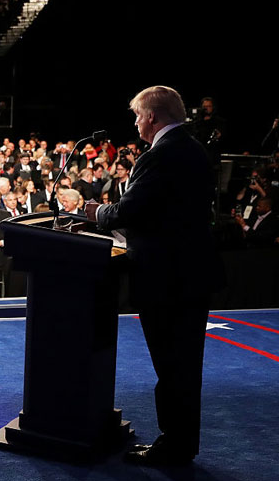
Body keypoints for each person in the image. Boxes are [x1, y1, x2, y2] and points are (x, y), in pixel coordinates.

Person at [87, 86, 221, 466]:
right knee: (185, 365)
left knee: (171, 365)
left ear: (151, 117)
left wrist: (96, 212)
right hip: (193, 273)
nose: (134, 122)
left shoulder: (160, 155)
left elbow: (130, 210)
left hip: (167, 279)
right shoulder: (194, 149)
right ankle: (181, 443)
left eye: (137, 116)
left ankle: (173, 446)